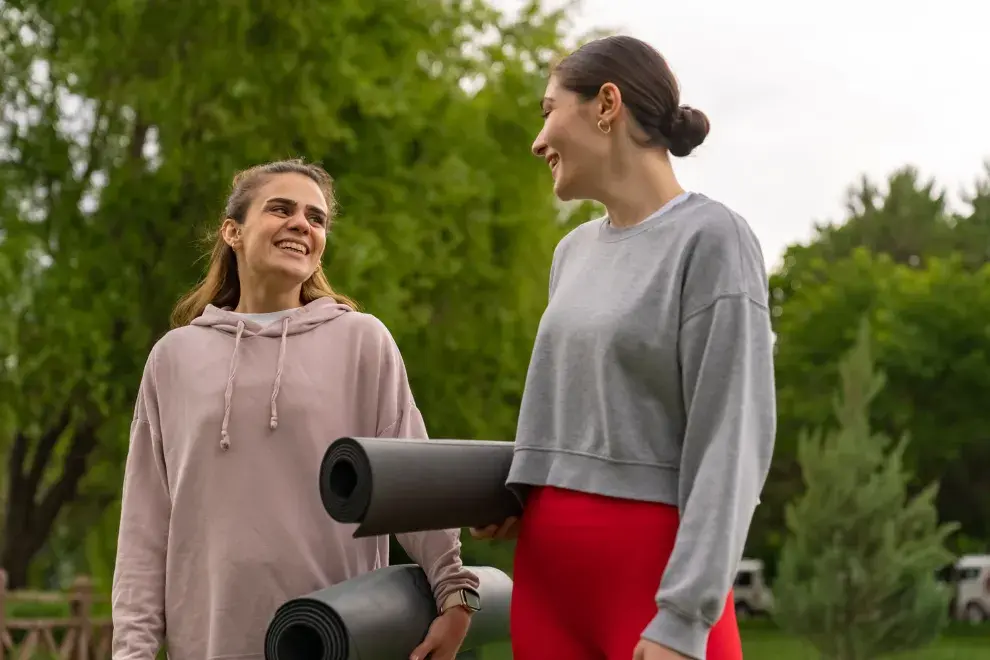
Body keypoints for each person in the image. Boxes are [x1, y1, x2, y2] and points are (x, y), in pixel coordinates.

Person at [471, 35, 776, 660]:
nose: (538, 141)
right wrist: (520, 489)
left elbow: (732, 441)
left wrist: (684, 618)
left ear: (606, 104)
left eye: (548, 111)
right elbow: (577, 416)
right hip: (548, 579)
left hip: (656, 582)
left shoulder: (713, 238)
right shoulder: (571, 252)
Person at [111, 158, 480, 660]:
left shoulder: (361, 342)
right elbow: (145, 526)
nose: (302, 224)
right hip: (208, 644)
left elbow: (412, 484)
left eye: (316, 218)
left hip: (336, 639)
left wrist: (455, 592)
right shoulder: (173, 358)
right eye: (281, 209)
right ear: (233, 232)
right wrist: (131, 651)